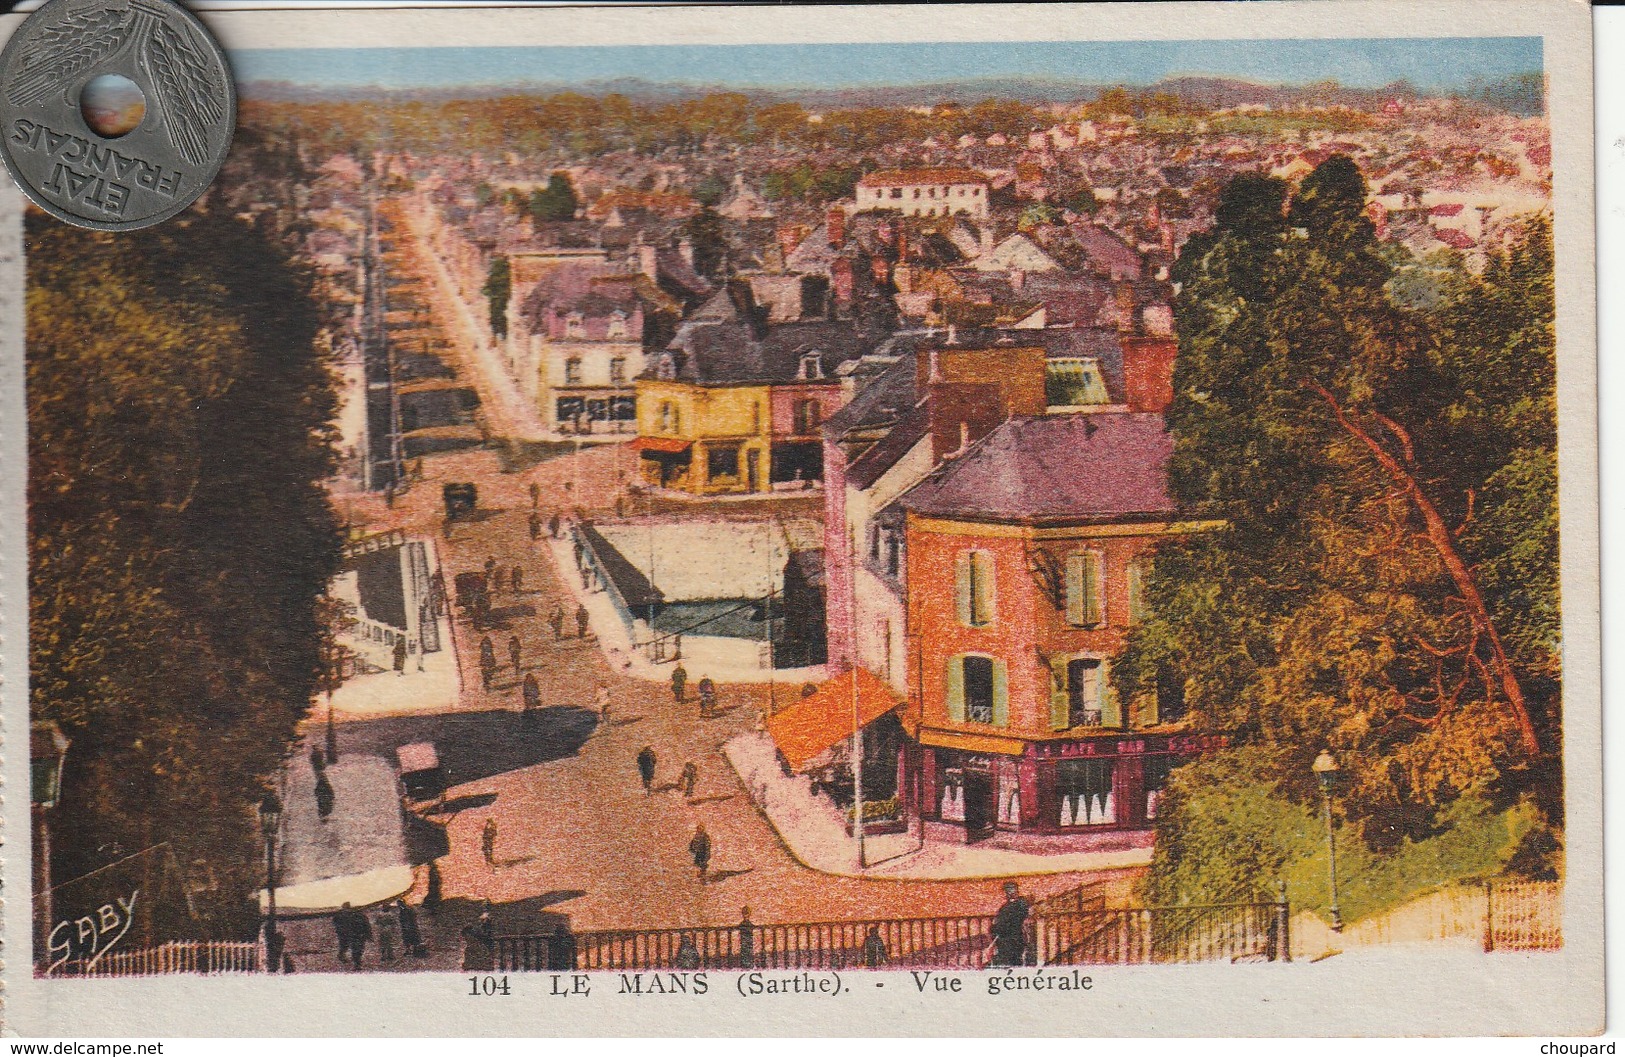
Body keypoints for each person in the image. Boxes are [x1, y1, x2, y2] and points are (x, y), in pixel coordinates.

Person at [989, 882, 1031, 967]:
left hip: (1014, 937)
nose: (1008, 893)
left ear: (1015, 890)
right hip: (1004, 938)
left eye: (1010, 890)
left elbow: (1012, 921)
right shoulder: (1005, 906)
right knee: (1005, 959)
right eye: (1007, 891)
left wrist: (997, 928)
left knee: (1013, 960)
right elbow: (999, 919)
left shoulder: (1021, 904)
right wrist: (994, 928)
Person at [333, 902, 371, 969]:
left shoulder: (340, 914)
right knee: (356, 949)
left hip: (352, 935)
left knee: (351, 948)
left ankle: (355, 963)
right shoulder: (359, 915)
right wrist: (369, 935)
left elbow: (336, 923)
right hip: (356, 935)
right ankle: (356, 963)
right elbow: (367, 926)